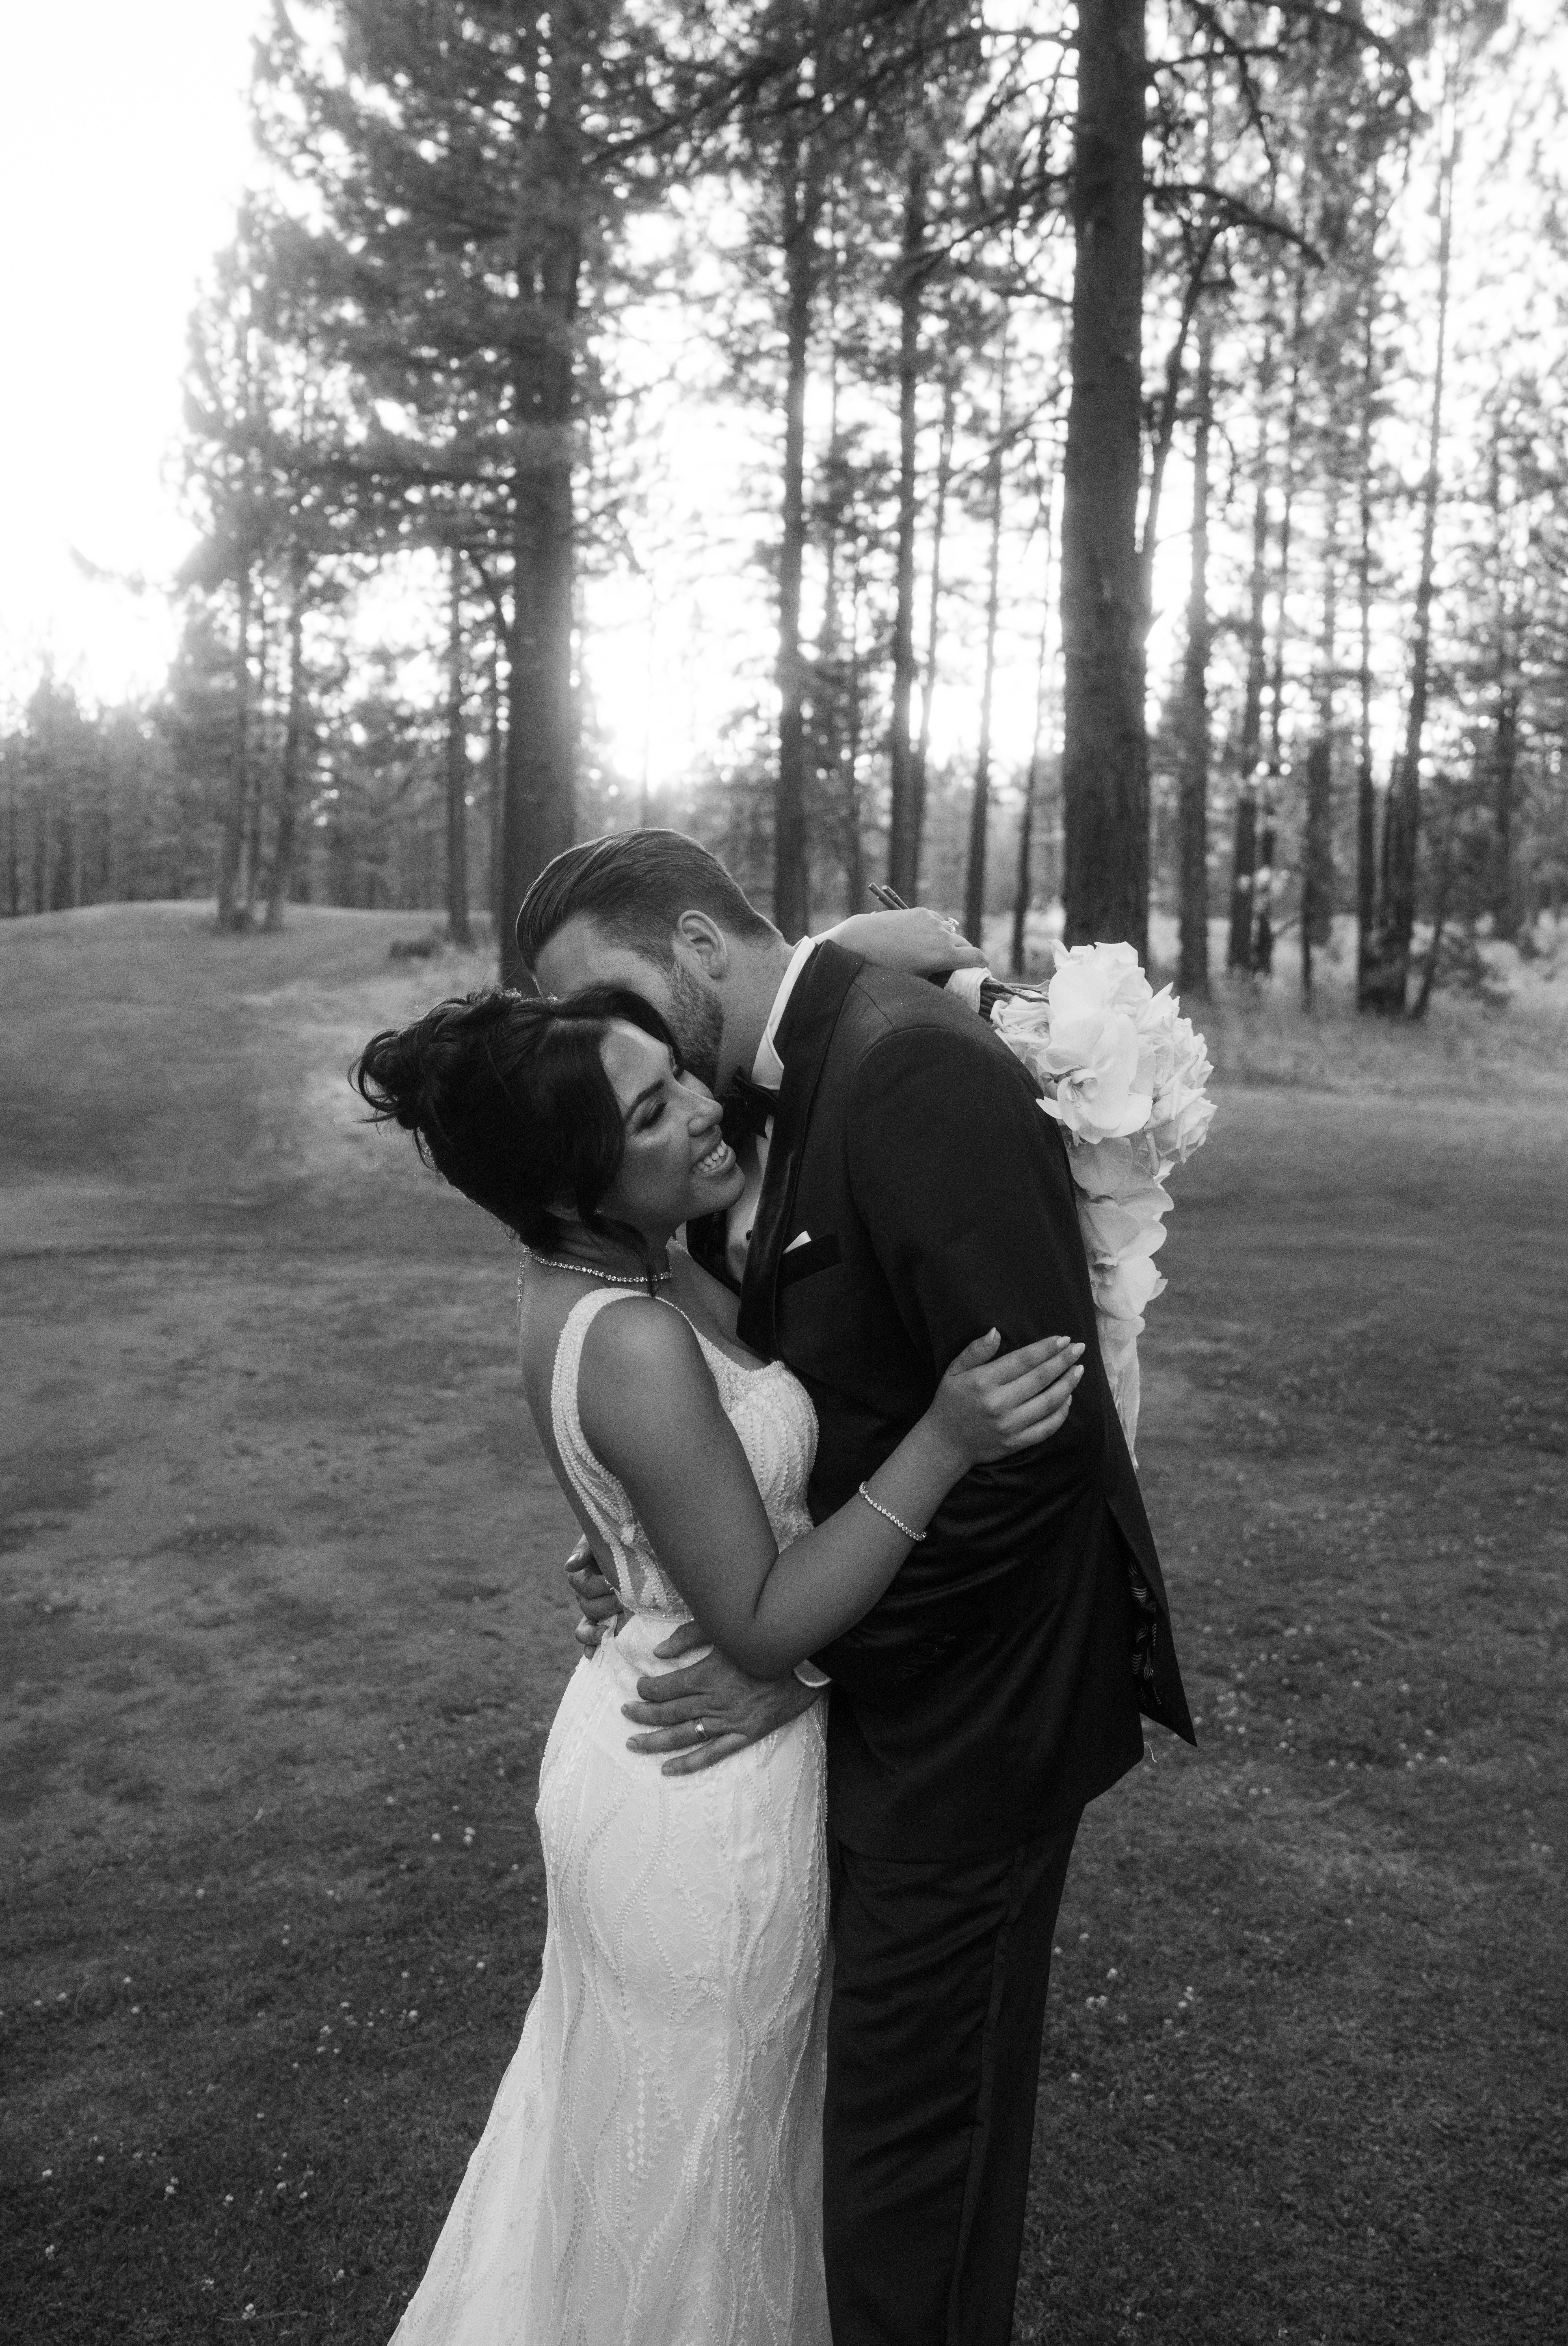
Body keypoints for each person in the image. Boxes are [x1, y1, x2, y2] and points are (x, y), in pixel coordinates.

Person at [356, 942, 1087, 2346]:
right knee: (699, 2187)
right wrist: (940, 1444)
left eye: (676, 1074)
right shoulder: (627, 1333)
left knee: (673, 2165)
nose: (698, 1108)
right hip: (694, 1795)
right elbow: (756, 1624)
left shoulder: (619, 1274)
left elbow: (709, 1480)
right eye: (646, 1117)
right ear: (572, 1185)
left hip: (648, 1722)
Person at [518, 831, 1195, 2346]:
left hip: (970, 1727)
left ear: (695, 950)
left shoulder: (907, 1075)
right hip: (884, 1713)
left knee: (909, 2187)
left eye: (611, 1005)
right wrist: (677, 1543)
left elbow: (1034, 1446)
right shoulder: (779, 1069)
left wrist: (794, 1654)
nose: (607, 1051)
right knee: (867, 2161)